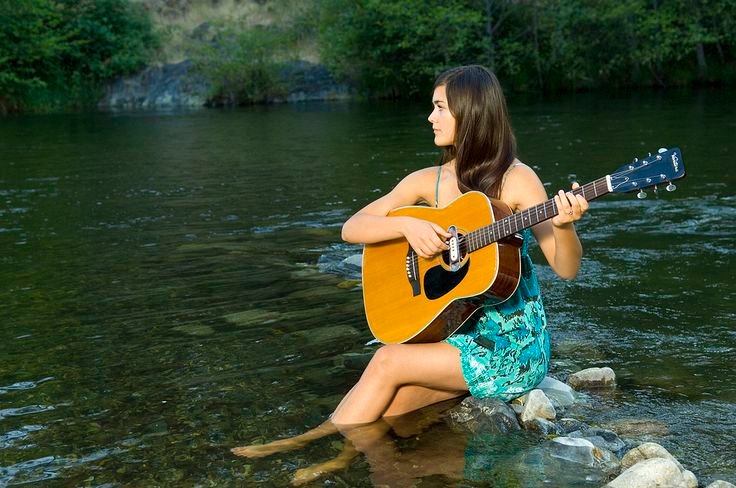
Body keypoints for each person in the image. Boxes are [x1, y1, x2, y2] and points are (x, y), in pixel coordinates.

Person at [231, 64, 589, 483]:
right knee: (393, 410)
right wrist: (407, 225)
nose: (430, 117)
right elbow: (353, 227)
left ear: (470, 114)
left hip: (511, 346)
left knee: (386, 362)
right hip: (451, 332)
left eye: (440, 108)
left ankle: (316, 448)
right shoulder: (429, 181)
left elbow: (566, 269)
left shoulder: (516, 179)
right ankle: (349, 459)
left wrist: (564, 226)